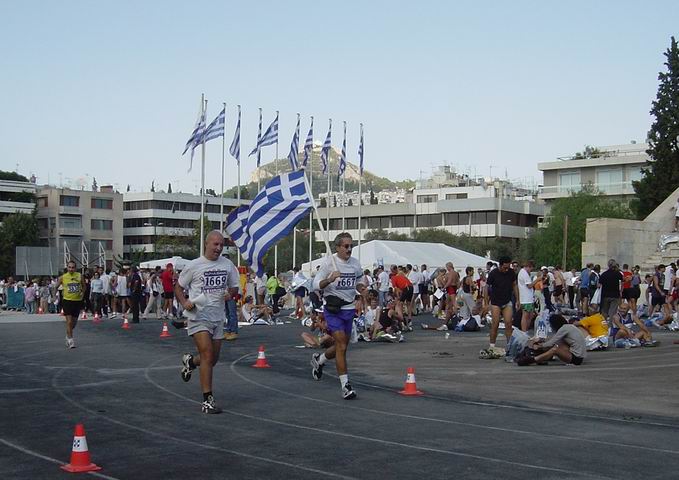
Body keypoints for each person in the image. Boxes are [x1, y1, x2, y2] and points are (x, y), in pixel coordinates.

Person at [176, 231, 240, 414]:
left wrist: (231, 293)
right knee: (207, 353)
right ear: (206, 244)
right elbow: (178, 287)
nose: (218, 248)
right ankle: (207, 400)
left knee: (212, 359)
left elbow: (235, 287)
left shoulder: (227, 265)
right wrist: (184, 302)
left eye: (221, 245)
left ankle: (191, 362)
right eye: (215, 245)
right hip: (198, 316)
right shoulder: (194, 266)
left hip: (217, 317)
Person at [310, 232, 366, 400]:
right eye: (346, 246)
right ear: (338, 247)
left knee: (343, 346)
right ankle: (345, 386)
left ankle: (319, 360)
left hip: (349, 310)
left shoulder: (355, 264)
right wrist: (329, 279)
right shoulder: (329, 263)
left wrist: (361, 287)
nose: (349, 249)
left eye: (351, 246)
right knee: (341, 344)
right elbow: (314, 285)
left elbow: (360, 278)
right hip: (333, 310)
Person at [480, 256, 518, 358]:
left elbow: (514, 285)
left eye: (508, 267)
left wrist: (518, 300)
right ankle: (492, 345)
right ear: (500, 265)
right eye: (505, 267)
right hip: (496, 302)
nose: (506, 269)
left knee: (508, 323)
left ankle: (510, 346)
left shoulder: (511, 273)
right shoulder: (493, 273)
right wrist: (486, 302)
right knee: (495, 323)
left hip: (507, 301)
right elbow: (486, 287)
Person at [56, 260, 85, 349]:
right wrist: (54, 296)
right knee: (69, 322)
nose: (71, 269)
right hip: (67, 301)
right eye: (69, 267)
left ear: (75, 268)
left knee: (74, 324)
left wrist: (82, 293)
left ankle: (68, 334)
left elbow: (84, 286)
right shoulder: (63, 277)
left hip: (77, 301)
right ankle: (71, 341)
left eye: (73, 267)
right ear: (67, 268)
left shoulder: (80, 276)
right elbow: (55, 286)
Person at [517, 261, 537, 331]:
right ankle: (524, 331)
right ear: (529, 267)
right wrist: (538, 279)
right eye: (531, 269)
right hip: (526, 298)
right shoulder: (524, 273)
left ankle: (525, 330)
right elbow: (529, 285)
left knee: (530, 315)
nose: (531, 271)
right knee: (525, 315)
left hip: (528, 298)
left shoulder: (523, 273)